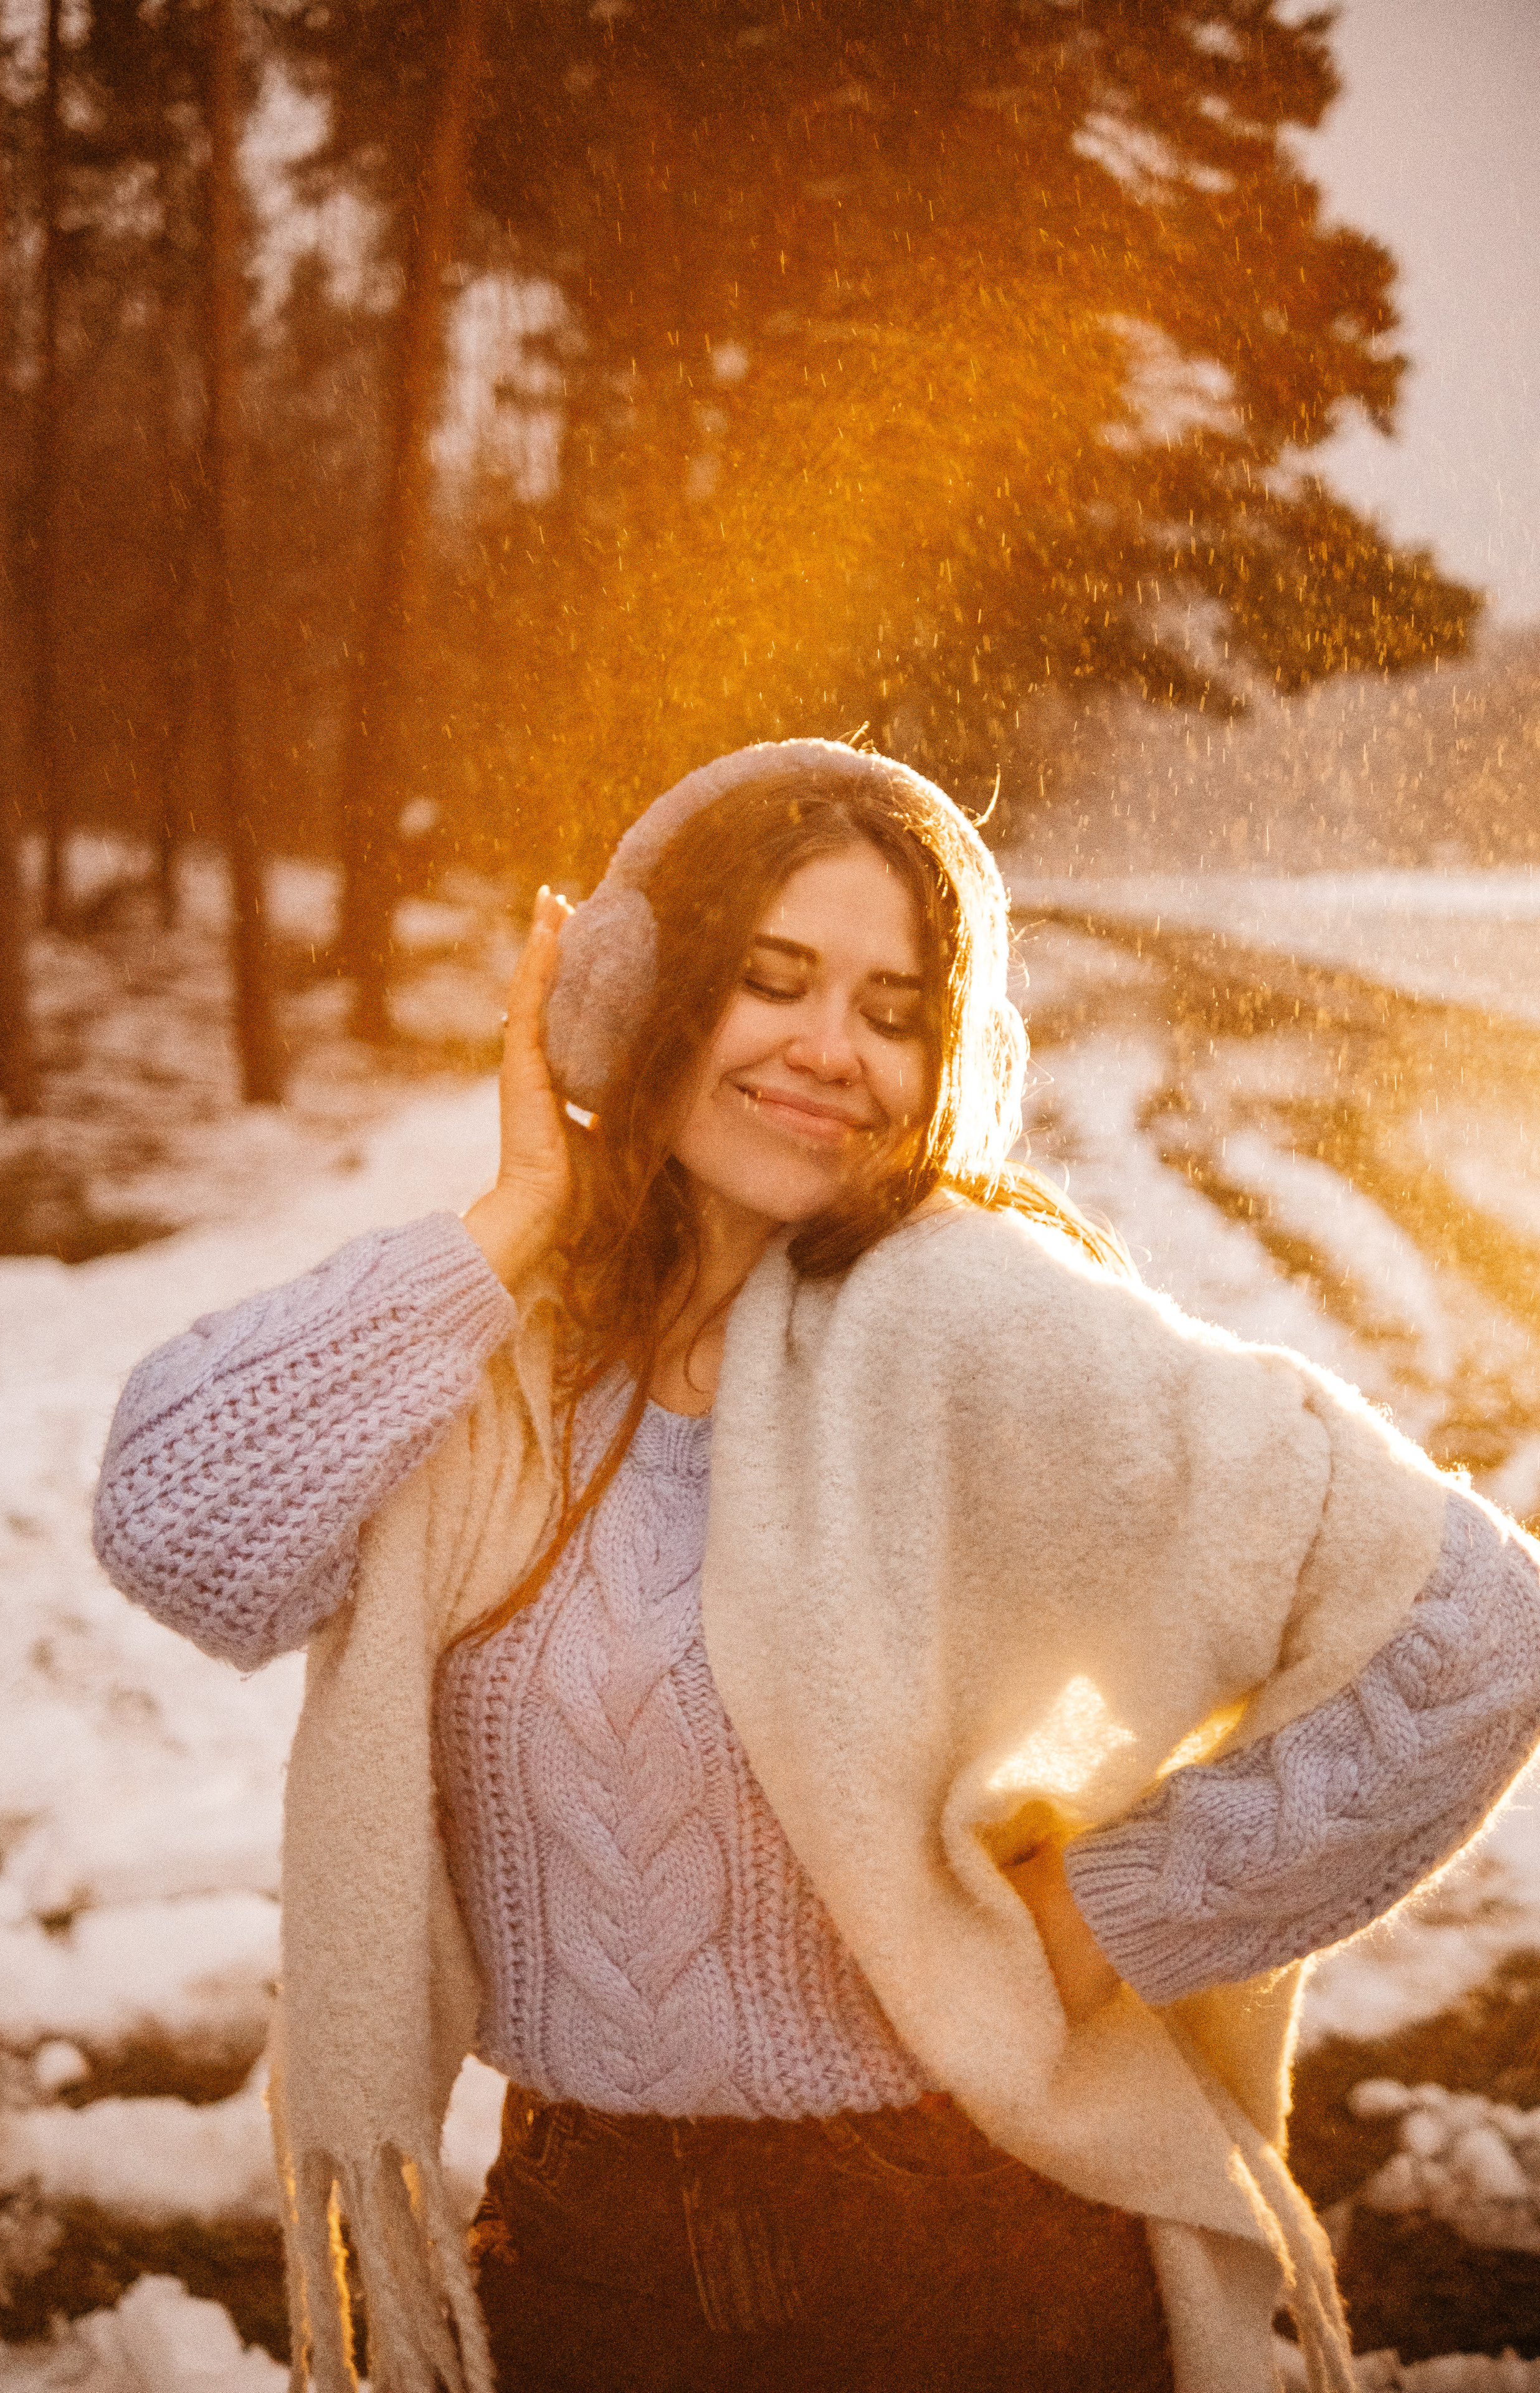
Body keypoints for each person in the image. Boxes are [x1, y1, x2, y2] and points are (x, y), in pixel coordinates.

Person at [92, 740, 1540, 2393]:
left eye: (893, 1006)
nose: (829, 1051)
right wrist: (516, 1212)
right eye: (767, 981)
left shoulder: (984, 1326)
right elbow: (178, 1527)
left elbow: (1478, 1631)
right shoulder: (510, 1368)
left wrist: (1111, 1910)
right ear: (635, 996)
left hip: (948, 2259)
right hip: (581, 2248)